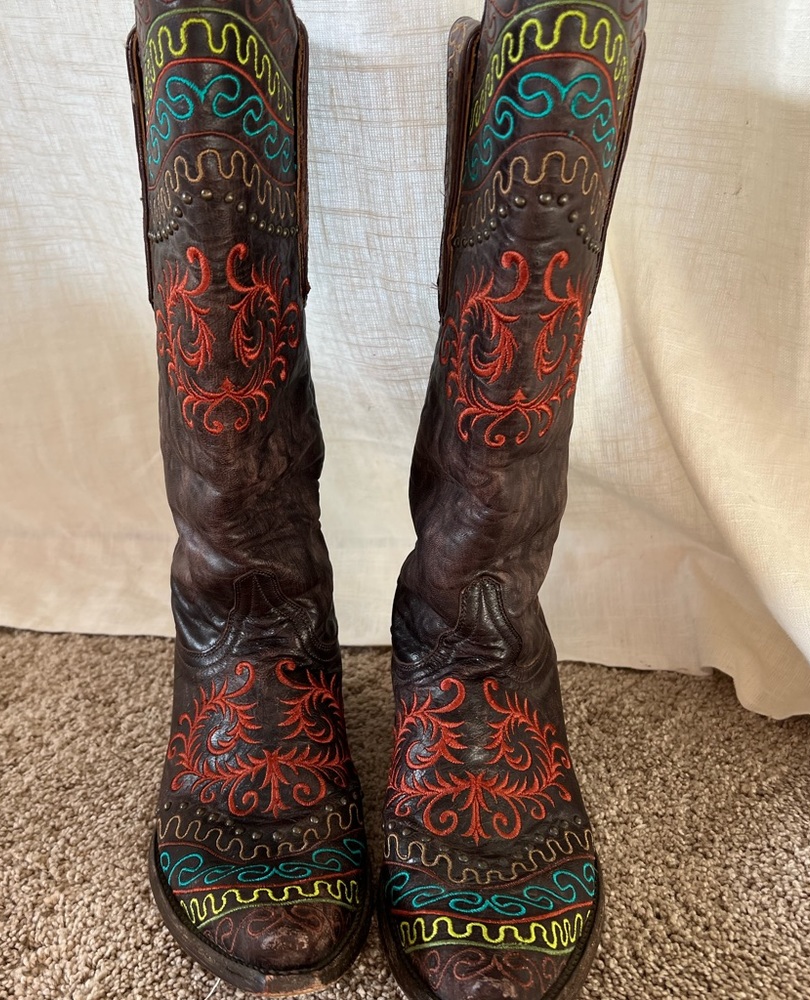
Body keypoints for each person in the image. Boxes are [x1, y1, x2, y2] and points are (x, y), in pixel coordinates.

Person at [126, 1, 646, 998]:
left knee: (564, 47)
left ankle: (471, 644)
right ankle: (254, 629)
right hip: (243, 633)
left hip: (480, 638)